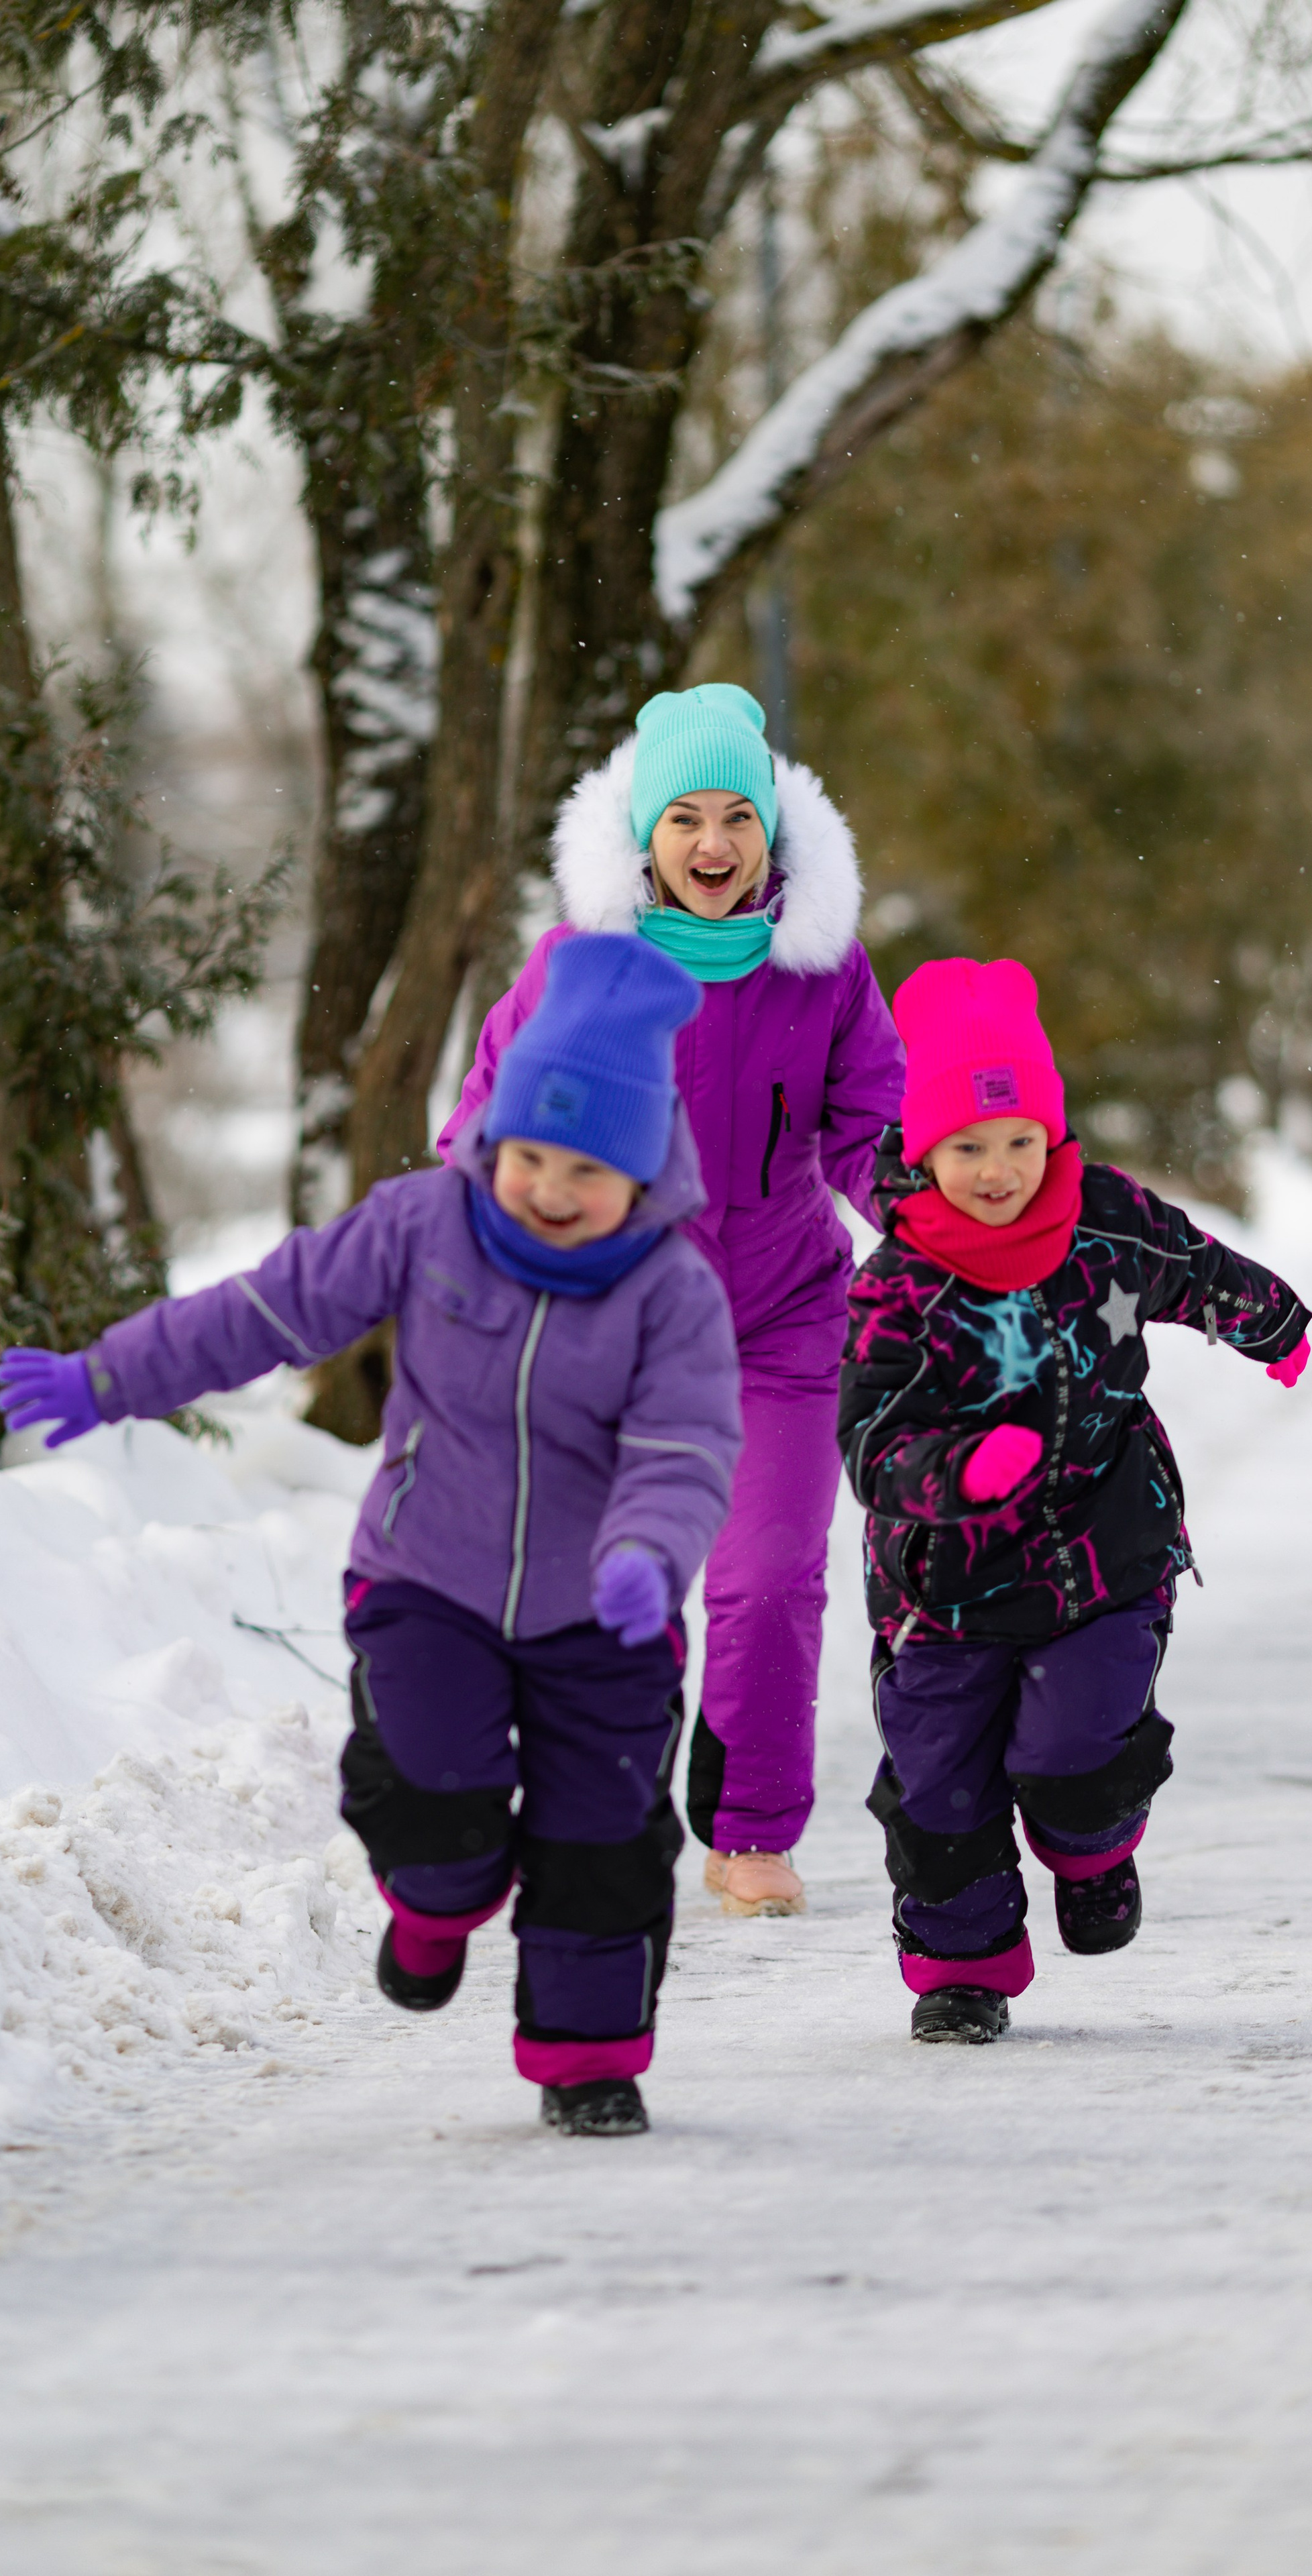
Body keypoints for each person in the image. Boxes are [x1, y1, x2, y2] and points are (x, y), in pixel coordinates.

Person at [0, 935, 742, 2137]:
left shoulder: (671, 1292)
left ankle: (587, 2058)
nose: (551, 1188)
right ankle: (436, 1906)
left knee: (603, 1836)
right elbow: (264, 1310)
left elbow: (685, 1446)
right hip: (426, 1577)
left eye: (589, 1168)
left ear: (648, 1169)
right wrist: (108, 1377)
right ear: (493, 1136)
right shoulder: (422, 1223)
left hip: (605, 1605)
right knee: (437, 1803)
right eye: (531, 1154)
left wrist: (649, 1554)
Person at [441, 684, 904, 1917]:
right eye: (686, 819)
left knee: (766, 1578)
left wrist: (926, 1216)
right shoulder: (576, 971)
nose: (713, 846)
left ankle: (751, 1832)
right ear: (644, 837)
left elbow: (874, 1131)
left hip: (784, 1321)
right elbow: (488, 1125)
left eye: (737, 820)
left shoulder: (827, 975)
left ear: (773, 836)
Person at [839, 957, 1312, 2045]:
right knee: (937, 1792)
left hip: (1103, 1554)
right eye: (967, 1148)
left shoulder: (1103, 1221)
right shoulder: (897, 1285)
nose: (999, 1169)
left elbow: (1193, 1264)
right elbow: (869, 1440)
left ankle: (1094, 1845)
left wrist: (1270, 1324)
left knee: (1075, 1756)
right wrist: (953, 1478)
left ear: (1051, 1135)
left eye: (1018, 1142)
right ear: (921, 1151)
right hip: (941, 1593)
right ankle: (964, 1970)